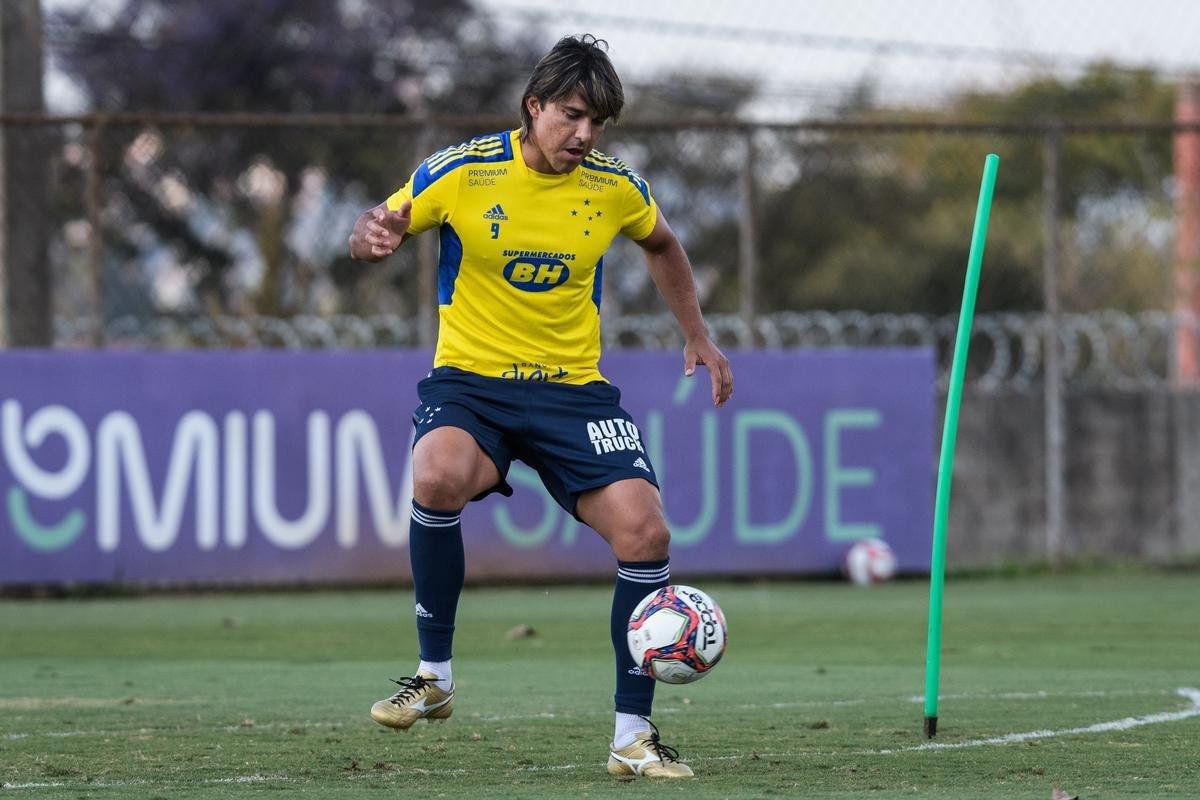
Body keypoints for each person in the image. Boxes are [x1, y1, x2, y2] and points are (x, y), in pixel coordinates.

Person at [347, 33, 733, 779]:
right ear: (534, 107)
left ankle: (632, 738)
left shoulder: (614, 187)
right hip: (472, 383)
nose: (584, 135)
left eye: (597, 123)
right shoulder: (461, 173)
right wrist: (371, 237)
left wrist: (699, 336)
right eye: (572, 116)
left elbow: (662, 244)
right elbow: (381, 226)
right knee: (435, 476)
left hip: (573, 394)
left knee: (646, 533)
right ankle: (435, 678)